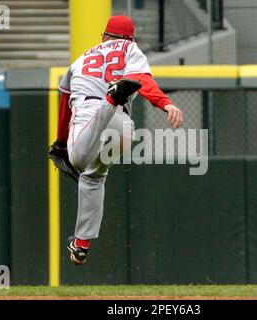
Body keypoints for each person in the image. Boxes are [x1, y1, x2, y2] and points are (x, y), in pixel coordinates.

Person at [52, 15, 183, 265]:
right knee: (94, 177)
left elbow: (64, 101)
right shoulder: (130, 48)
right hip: (122, 126)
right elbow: (143, 80)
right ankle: (81, 244)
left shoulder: (80, 60)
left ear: (103, 36)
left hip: (91, 111)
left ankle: (110, 100)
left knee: (79, 163)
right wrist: (165, 103)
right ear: (131, 37)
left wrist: (60, 140)